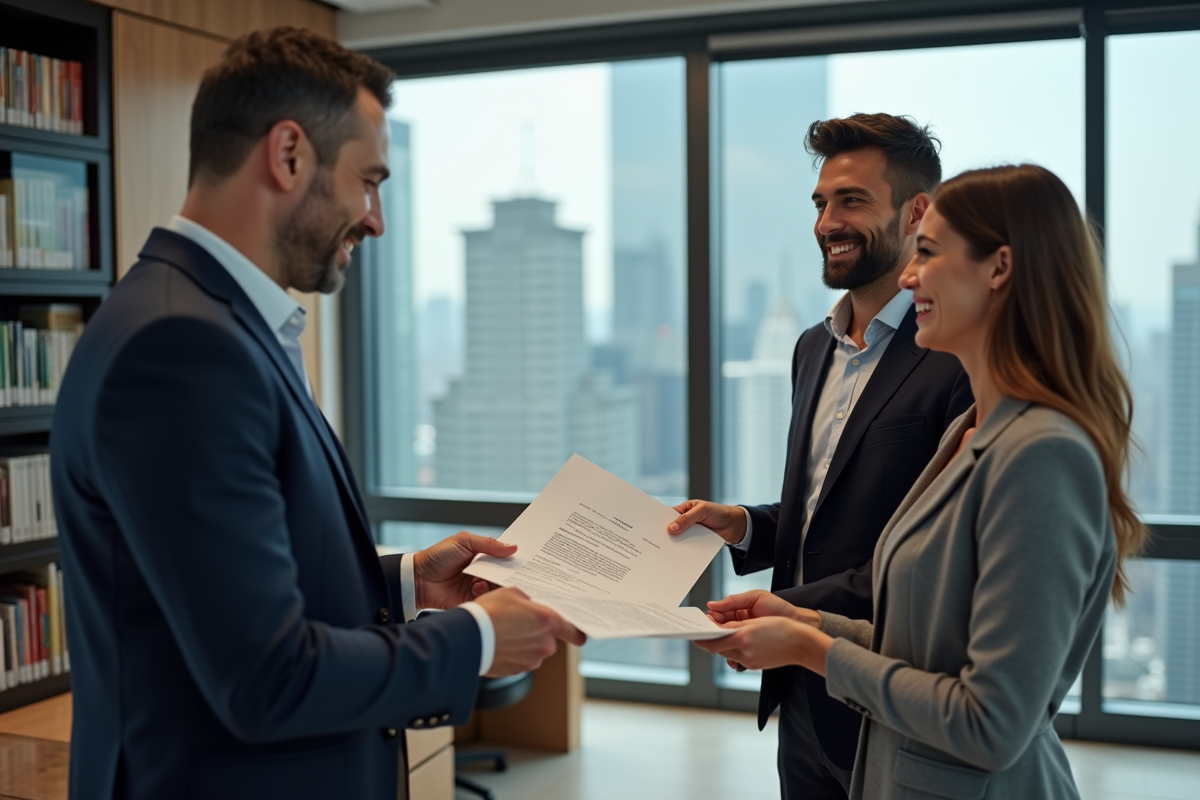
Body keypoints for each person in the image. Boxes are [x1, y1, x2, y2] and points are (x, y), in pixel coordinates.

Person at [50, 28, 582, 800]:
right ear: (289, 154)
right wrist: (477, 638)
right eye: (368, 181)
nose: (376, 220)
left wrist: (401, 584)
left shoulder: (208, 322)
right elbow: (265, 677)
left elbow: (229, 585)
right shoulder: (179, 348)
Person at [698, 164, 1146, 799]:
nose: (908, 275)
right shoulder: (971, 429)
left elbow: (989, 723)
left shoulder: (1043, 454)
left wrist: (811, 650)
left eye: (929, 253)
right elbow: (922, 645)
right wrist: (804, 622)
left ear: (999, 269)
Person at [670, 114, 971, 797]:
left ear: (917, 211)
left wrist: (779, 613)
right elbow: (824, 510)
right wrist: (743, 525)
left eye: (853, 201)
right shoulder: (812, 347)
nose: (827, 222)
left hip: (886, 688)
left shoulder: (954, 356)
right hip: (798, 696)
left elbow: (927, 560)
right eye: (820, 203)